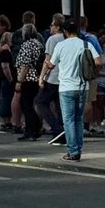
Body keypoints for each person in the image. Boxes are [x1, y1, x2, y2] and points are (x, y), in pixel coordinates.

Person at [42, 19, 88, 162]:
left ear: (65, 32)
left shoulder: (61, 45)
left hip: (66, 87)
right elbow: (98, 61)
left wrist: (46, 65)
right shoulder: (85, 44)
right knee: (78, 119)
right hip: (83, 86)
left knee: (68, 120)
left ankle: (73, 151)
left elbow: (51, 64)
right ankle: (78, 148)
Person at [14, 23, 45, 142]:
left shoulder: (27, 45)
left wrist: (19, 81)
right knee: (30, 104)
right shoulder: (38, 44)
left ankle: (31, 130)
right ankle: (35, 128)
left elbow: (25, 65)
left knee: (26, 105)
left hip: (28, 78)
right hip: (36, 77)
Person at [37, 14, 65, 142]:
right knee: (59, 106)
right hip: (64, 77)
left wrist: (42, 77)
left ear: (57, 27)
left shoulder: (52, 39)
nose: (50, 27)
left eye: (52, 25)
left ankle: (56, 128)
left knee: (40, 102)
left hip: (53, 76)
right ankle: (62, 131)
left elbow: (47, 60)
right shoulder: (67, 38)